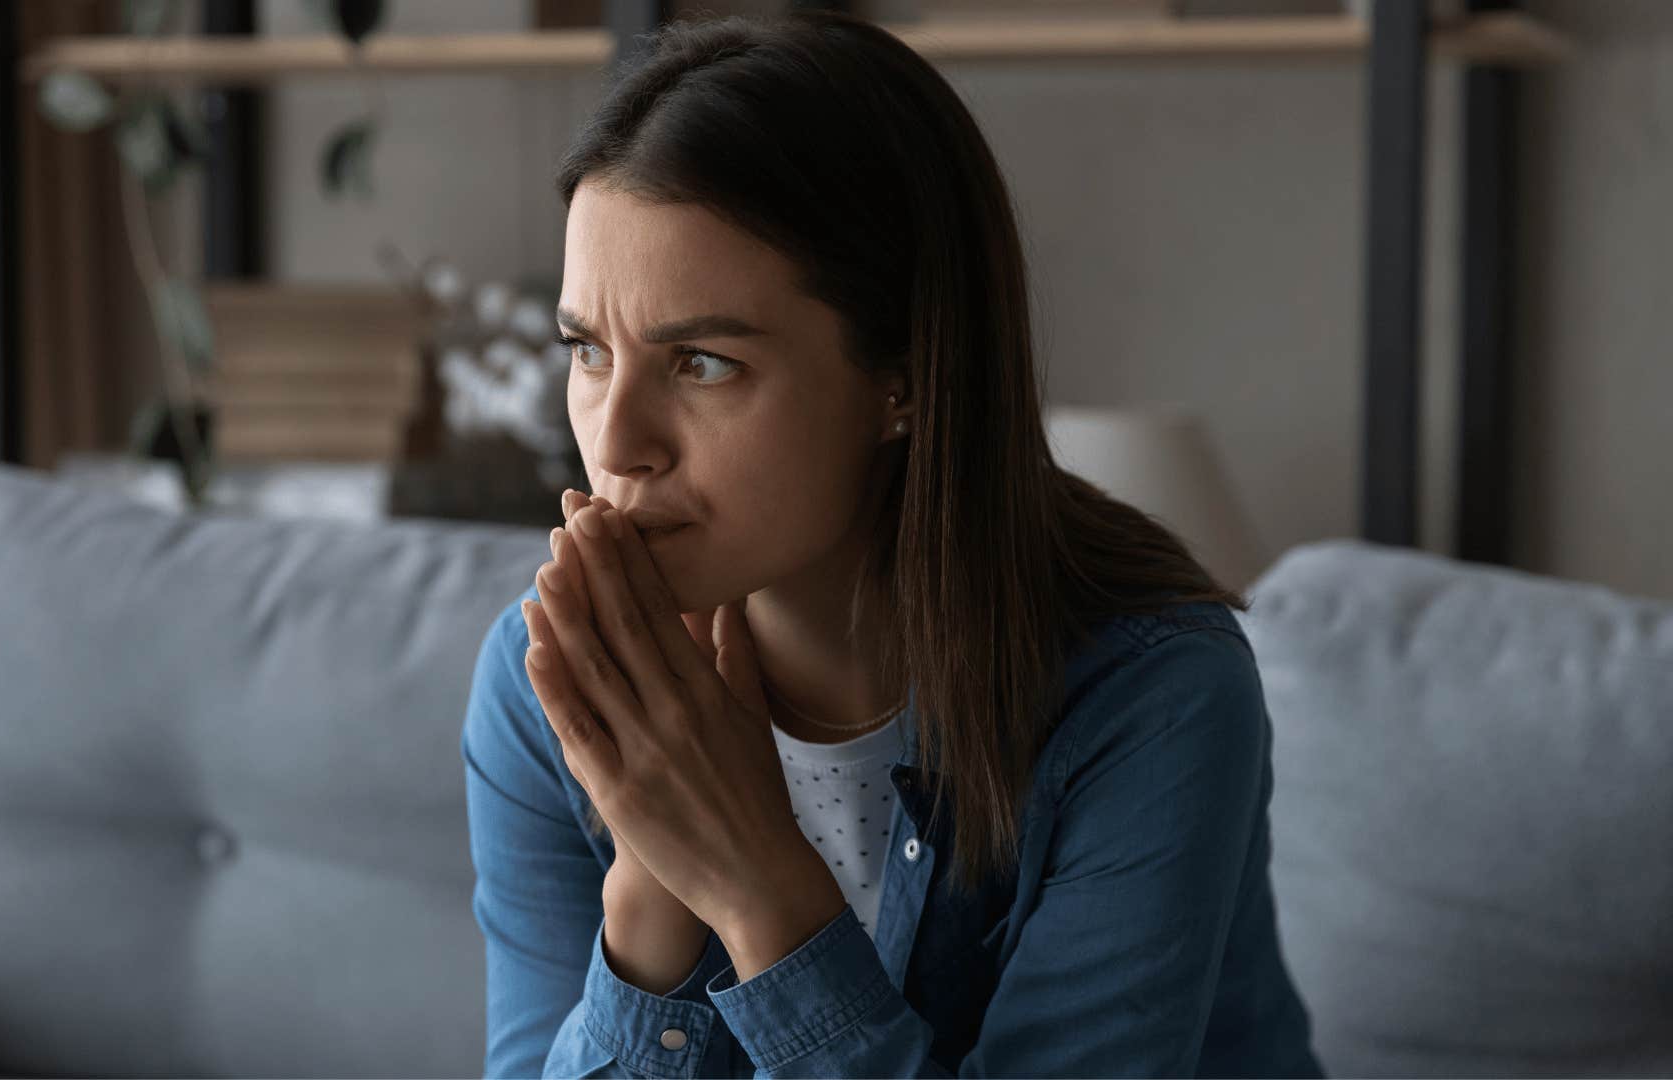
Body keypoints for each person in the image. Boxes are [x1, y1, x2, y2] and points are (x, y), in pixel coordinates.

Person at [461, 9, 1324, 1077]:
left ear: (902, 379)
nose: (616, 441)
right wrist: (650, 873)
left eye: (702, 364)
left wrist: (755, 886)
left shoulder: (1148, 697)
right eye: (589, 351)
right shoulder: (539, 680)